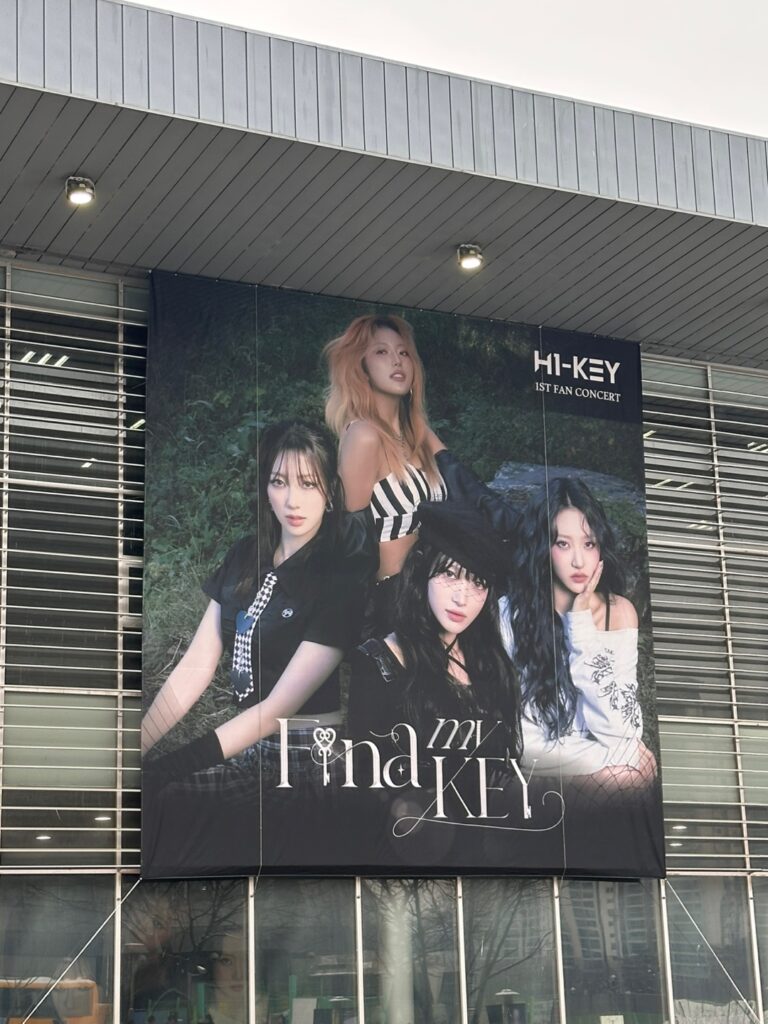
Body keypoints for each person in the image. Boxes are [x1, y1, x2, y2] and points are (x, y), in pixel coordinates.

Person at [141, 421, 368, 873]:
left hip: (304, 759)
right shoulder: (245, 555)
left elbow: (279, 707)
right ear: (265, 489)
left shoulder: (339, 578)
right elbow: (197, 665)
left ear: (330, 491)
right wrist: (137, 749)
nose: (292, 500)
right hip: (246, 747)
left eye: (308, 483)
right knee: (145, 802)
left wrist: (172, 767)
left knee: (169, 804)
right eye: (279, 482)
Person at [347, 502, 523, 864]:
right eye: (449, 574)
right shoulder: (380, 663)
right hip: (410, 856)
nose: (462, 597)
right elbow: (367, 786)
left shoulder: (490, 662)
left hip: (487, 856)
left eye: (478, 582)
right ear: (422, 571)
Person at [504, 477, 655, 788]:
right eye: (563, 544)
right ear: (542, 548)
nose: (578, 560)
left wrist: (581, 625)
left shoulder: (618, 613)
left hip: (594, 774)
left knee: (630, 781)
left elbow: (623, 730)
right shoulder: (510, 614)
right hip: (536, 778)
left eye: (589, 544)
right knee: (631, 777)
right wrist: (614, 760)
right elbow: (519, 743)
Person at [324, 314, 448, 628]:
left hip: (431, 592)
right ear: (361, 367)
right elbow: (348, 540)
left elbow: (464, 484)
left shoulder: (418, 432)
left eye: (403, 352)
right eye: (381, 352)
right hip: (389, 602)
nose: (397, 360)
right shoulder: (364, 436)